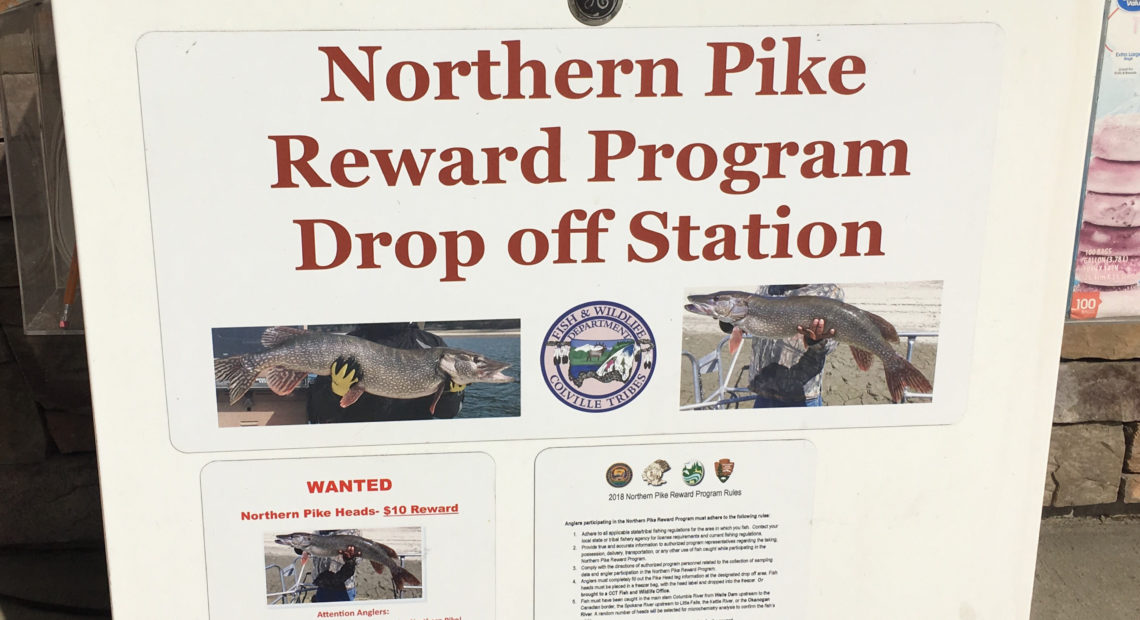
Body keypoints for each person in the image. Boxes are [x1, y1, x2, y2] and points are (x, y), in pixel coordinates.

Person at [307, 322, 465, 423]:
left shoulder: (431, 345)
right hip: (360, 441)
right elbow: (322, 413)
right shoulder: (346, 345)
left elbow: (447, 413)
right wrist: (336, 392)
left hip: (412, 443)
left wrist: (451, 394)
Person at [746, 283, 844, 407]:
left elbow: (831, 345)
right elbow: (747, 322)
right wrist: (728, 322)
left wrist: (815, 340)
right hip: (763, 391)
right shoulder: (768, 287)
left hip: (802, 397)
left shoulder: (830, 291)